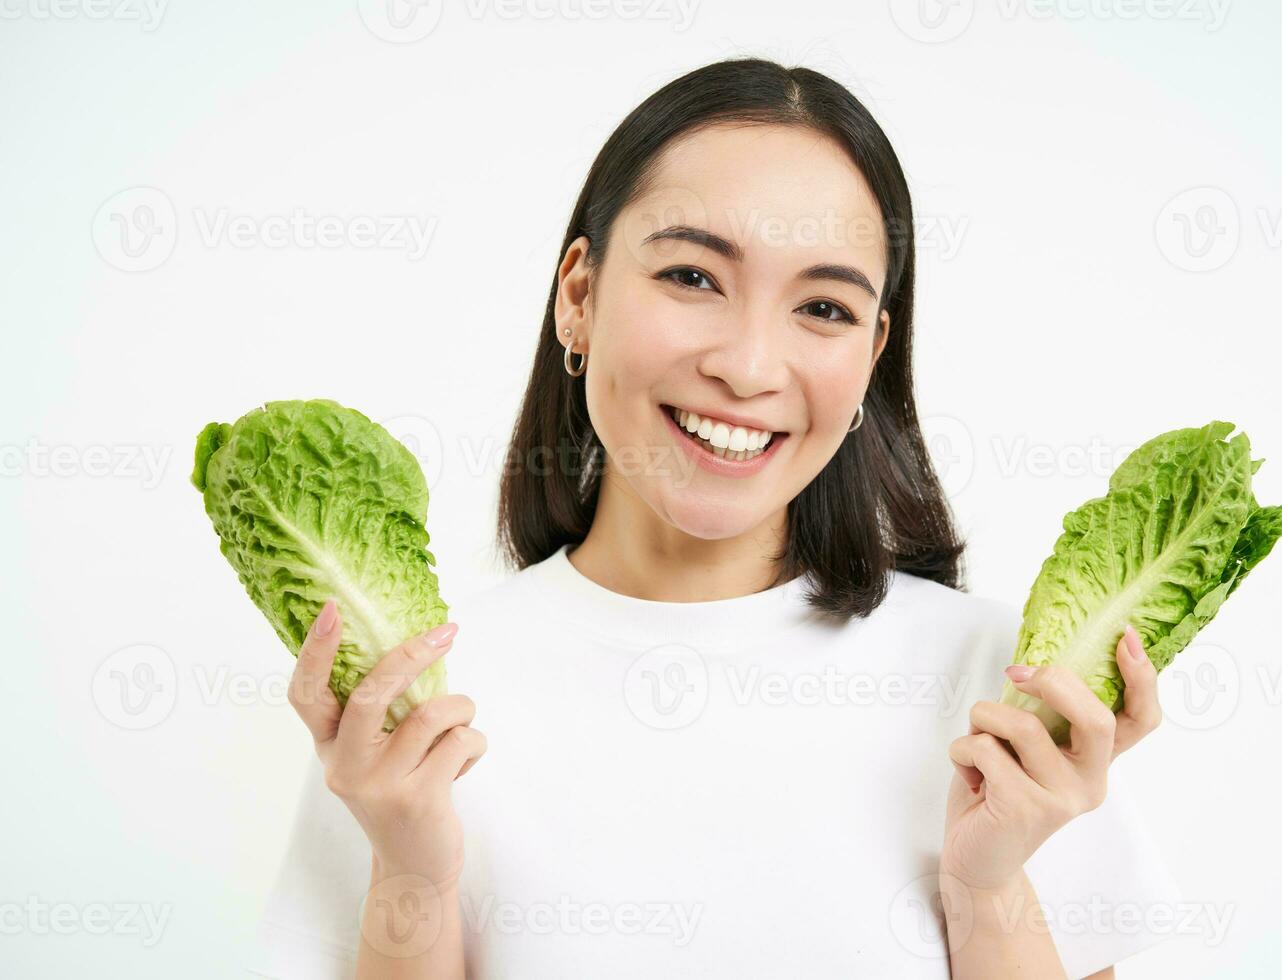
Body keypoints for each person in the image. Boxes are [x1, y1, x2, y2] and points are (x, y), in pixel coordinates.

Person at [253, 58, 1179, 979]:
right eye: (694, 277)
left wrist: (988, 893)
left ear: (871, 355)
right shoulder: (413, 703)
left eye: (823, 307)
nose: (747, 366)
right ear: (579, 293)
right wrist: (412, 873)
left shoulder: (1003, 694)